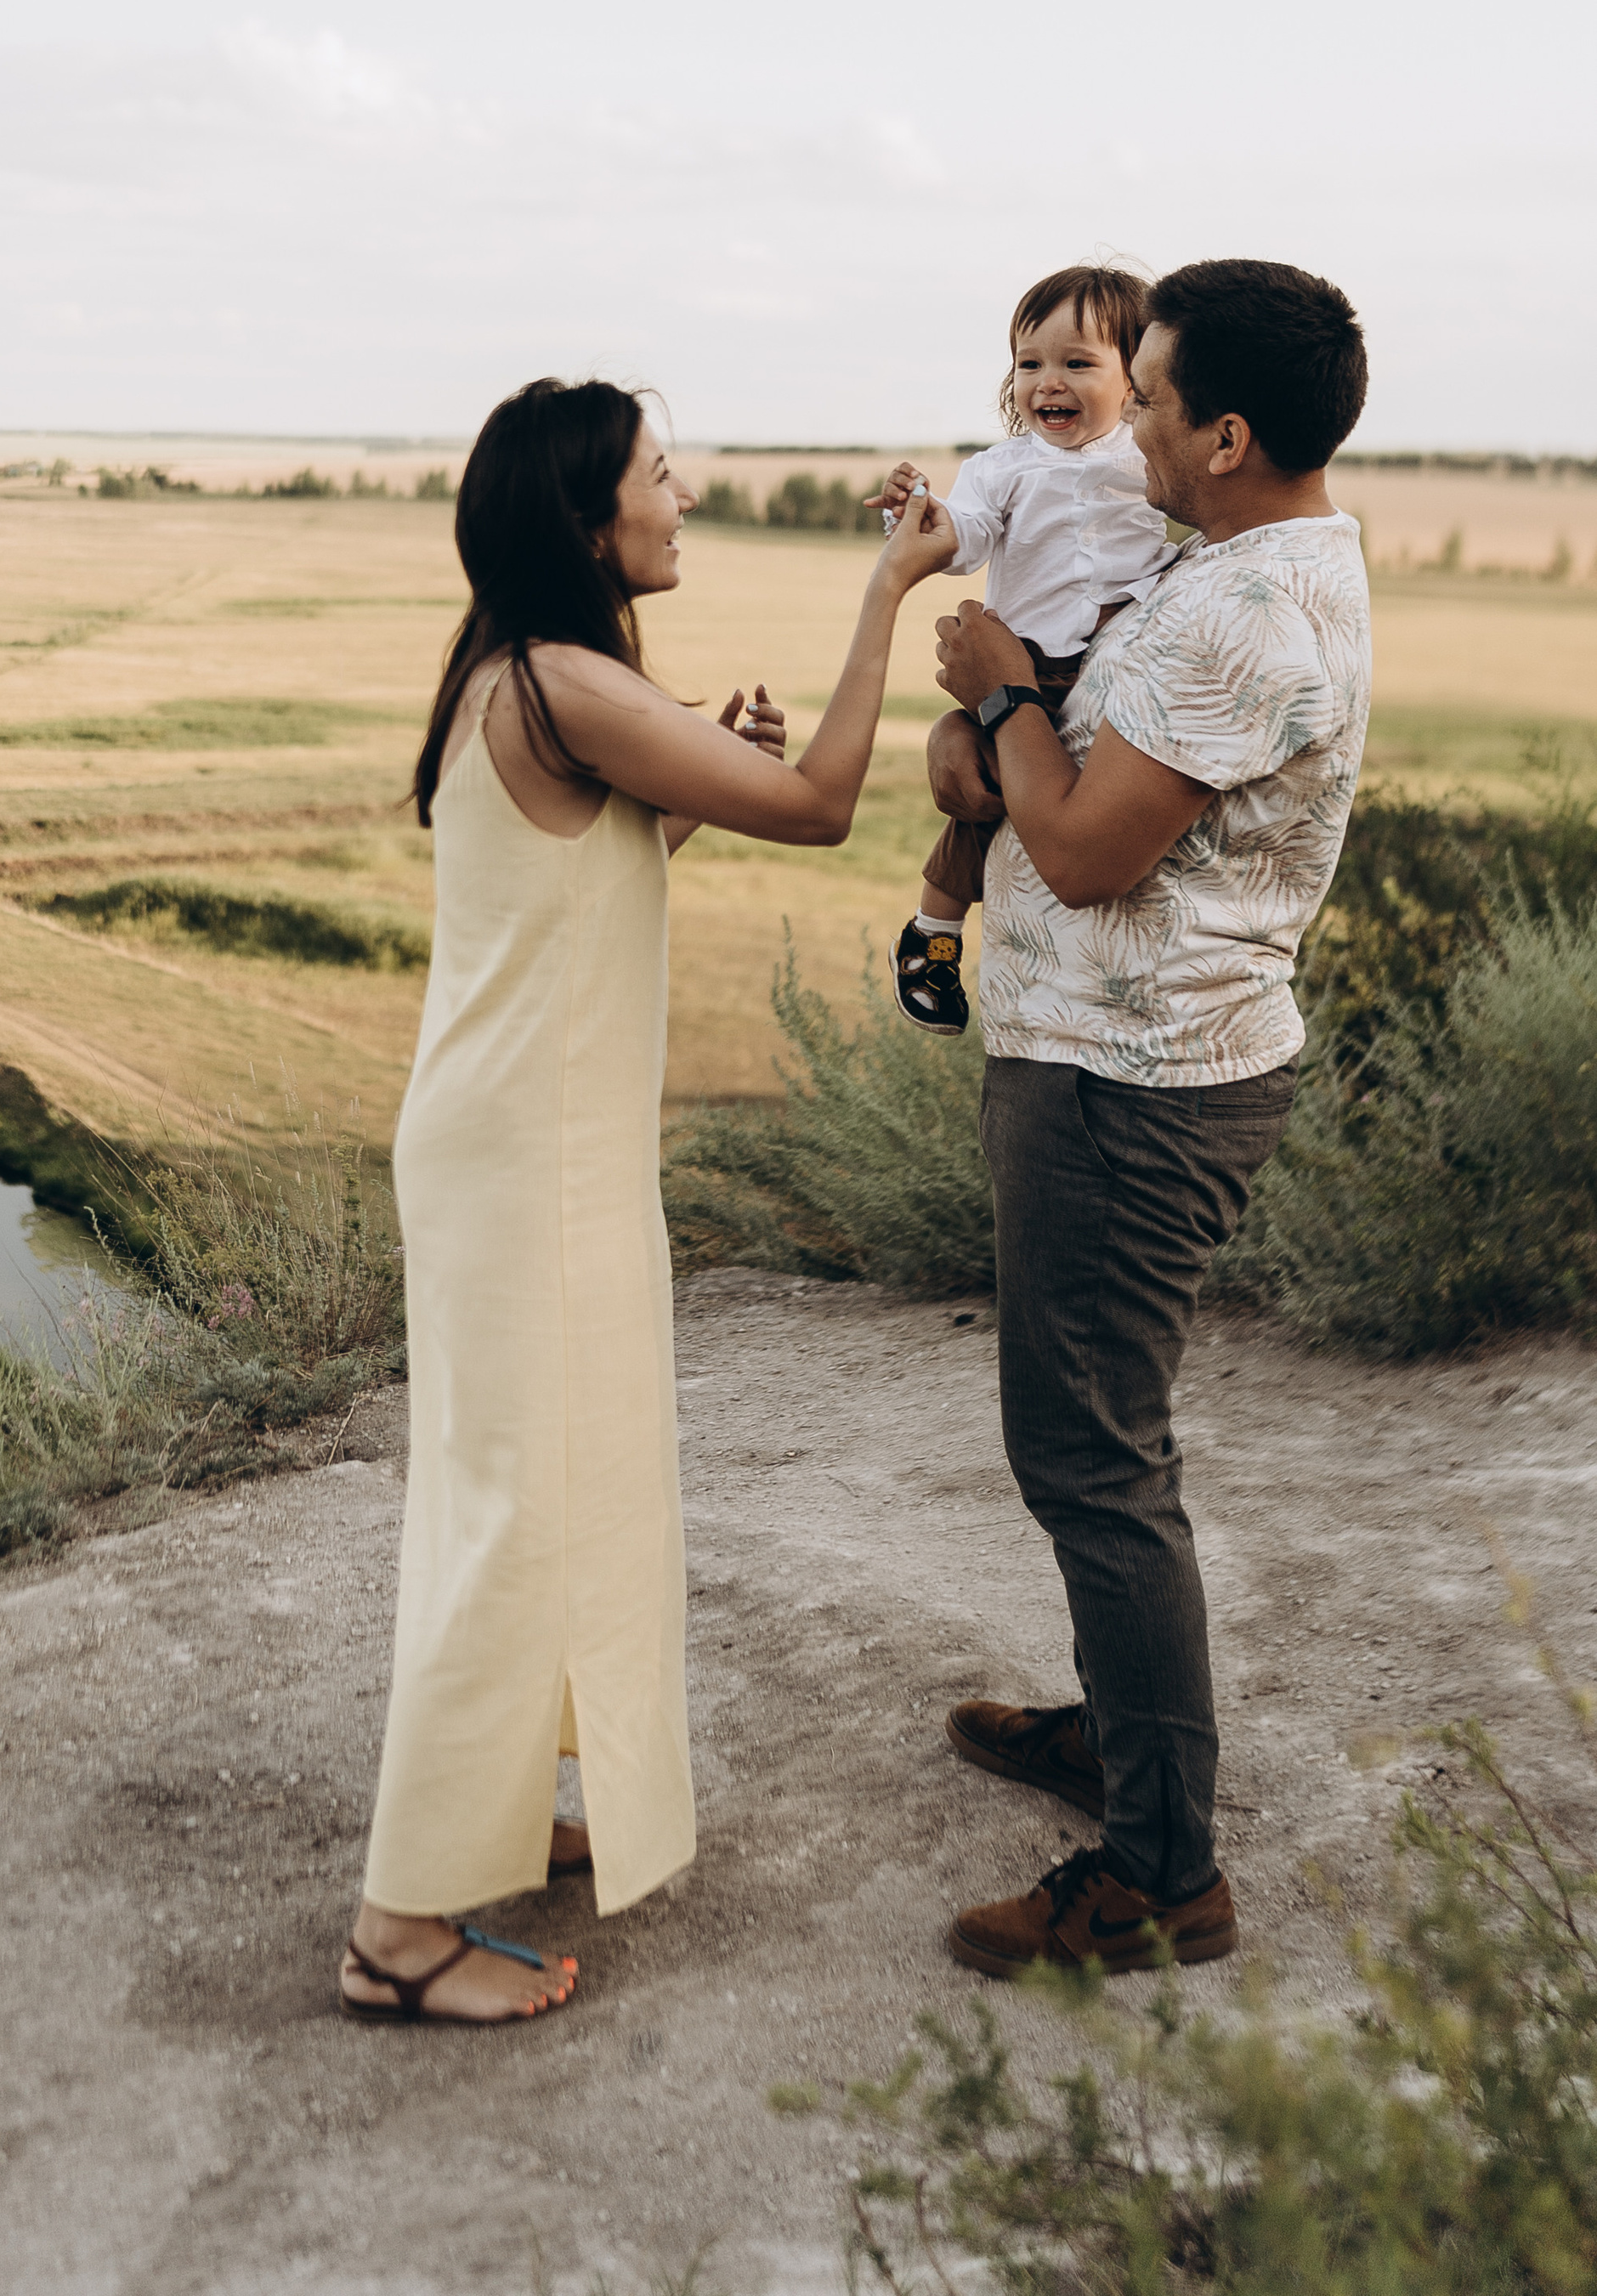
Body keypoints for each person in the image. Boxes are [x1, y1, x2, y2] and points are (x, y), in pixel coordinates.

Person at [341, 376, 957, 2026]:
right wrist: (884, 590)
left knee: (555, 1484)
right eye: (659, 477)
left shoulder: (527, 676)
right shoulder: (566, 680)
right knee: (515, 1512)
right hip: (526, 1168)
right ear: (584, 517)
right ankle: (398, 1930)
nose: (678, 500)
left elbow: (574, 884)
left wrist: (678, 796)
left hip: (525, 1153)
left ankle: (501, 1801)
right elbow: (827, 808)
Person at [925, 259, 1370, 1978]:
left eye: (1160, 405)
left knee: (1091, 1457)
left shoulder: (1238, 610)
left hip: (1133, 1091)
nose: (1137, 430)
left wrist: (995, 689)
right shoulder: (1240, 566)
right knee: (1091, 1444)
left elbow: (1091, 847)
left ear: (1230, 435)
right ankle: (1122, 1732)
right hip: (1112, 1063)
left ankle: (1158, 1869)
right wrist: (1011, 748)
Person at [877, 265, 1175, 1038]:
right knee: (984, 799)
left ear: (1135, 377)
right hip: (1021, 665)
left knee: (1091, 794)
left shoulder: (1149, 461)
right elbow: (961, 541)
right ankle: (931, 935)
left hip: (1107, 663)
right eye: (1029, 363)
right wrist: (921, 511)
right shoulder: (1001, 469)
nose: (1049, 382)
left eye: (1079, 363)